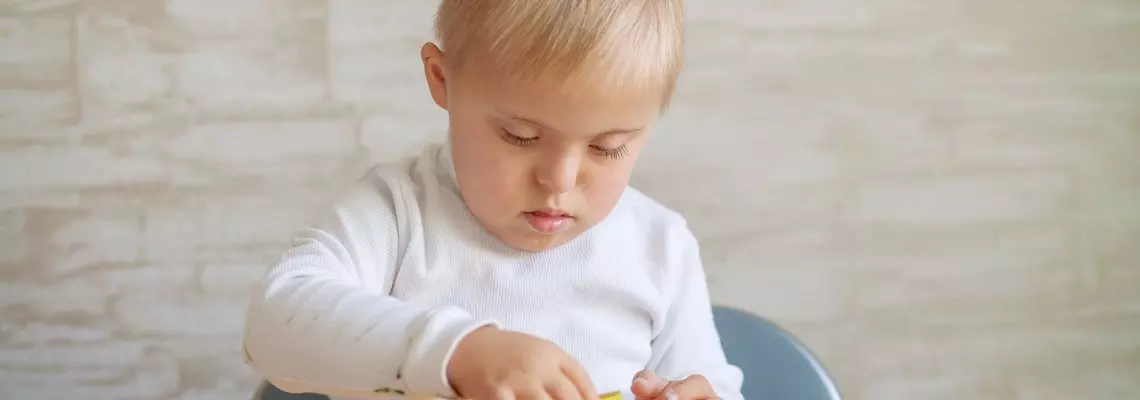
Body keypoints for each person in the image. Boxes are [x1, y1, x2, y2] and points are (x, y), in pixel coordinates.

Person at [242, 1, 744, 399]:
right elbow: (274, 323)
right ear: (443, 80)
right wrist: (457, 352)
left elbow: (710, 384)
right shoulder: (396, 215)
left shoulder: (660, 247)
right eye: (521, 136)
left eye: (607, 147)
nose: (559, 180)